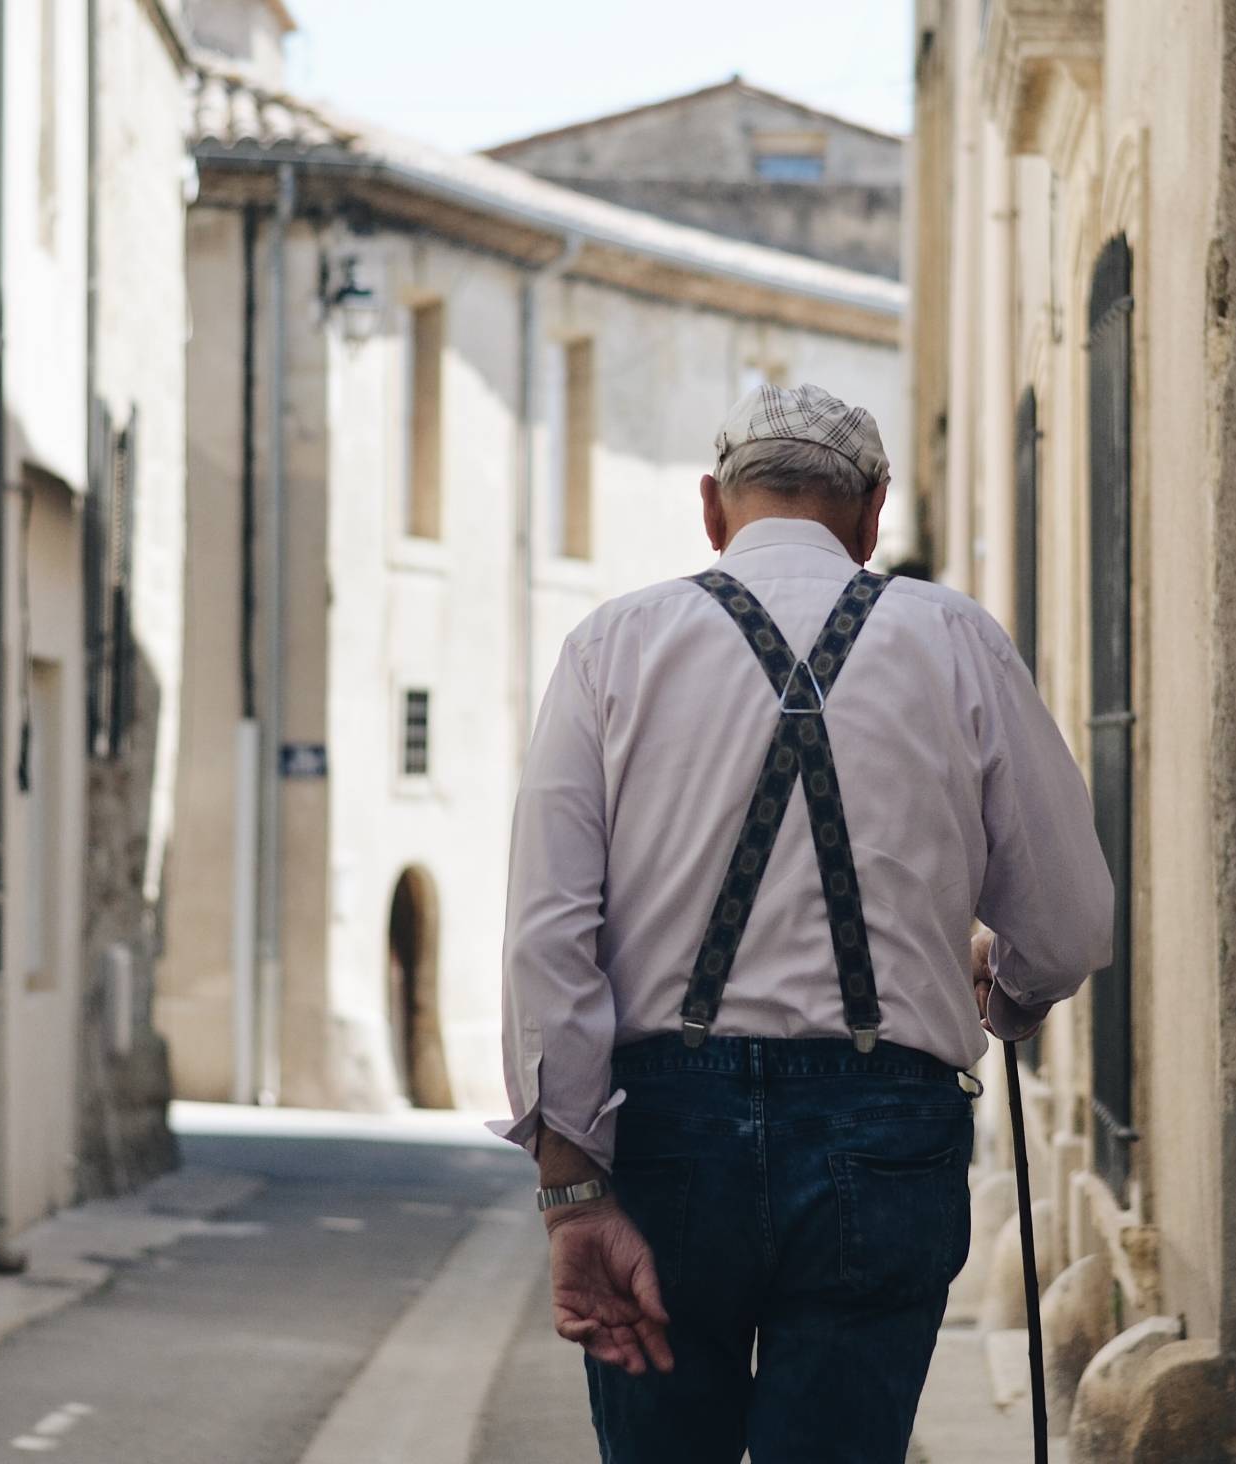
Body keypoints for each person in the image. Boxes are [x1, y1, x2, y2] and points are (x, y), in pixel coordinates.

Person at [490, 383, 1113, 1463]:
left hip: (665, 1137)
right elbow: (1067, 923)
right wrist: (1003, 993)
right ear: (872, 515)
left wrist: (573, 1189)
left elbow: (549, 938)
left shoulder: (612, 647)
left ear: (711, 509)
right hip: (884, 1139)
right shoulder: (958, 639)